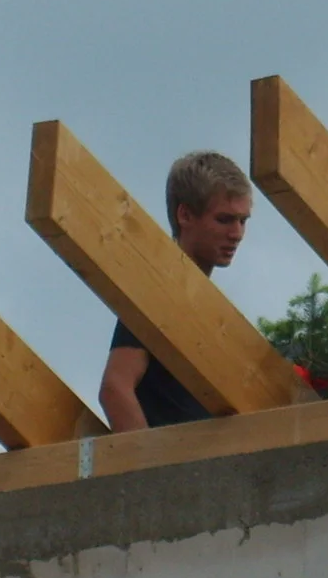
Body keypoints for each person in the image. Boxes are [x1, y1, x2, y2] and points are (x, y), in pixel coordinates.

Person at [97, 151, 252, 432]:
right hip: (174, 456)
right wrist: (152, 459)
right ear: (185, 215)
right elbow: (115, 388)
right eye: (224, 219)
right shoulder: (159, 292)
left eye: (243, 220)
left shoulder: (209, 307)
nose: (237, 233)